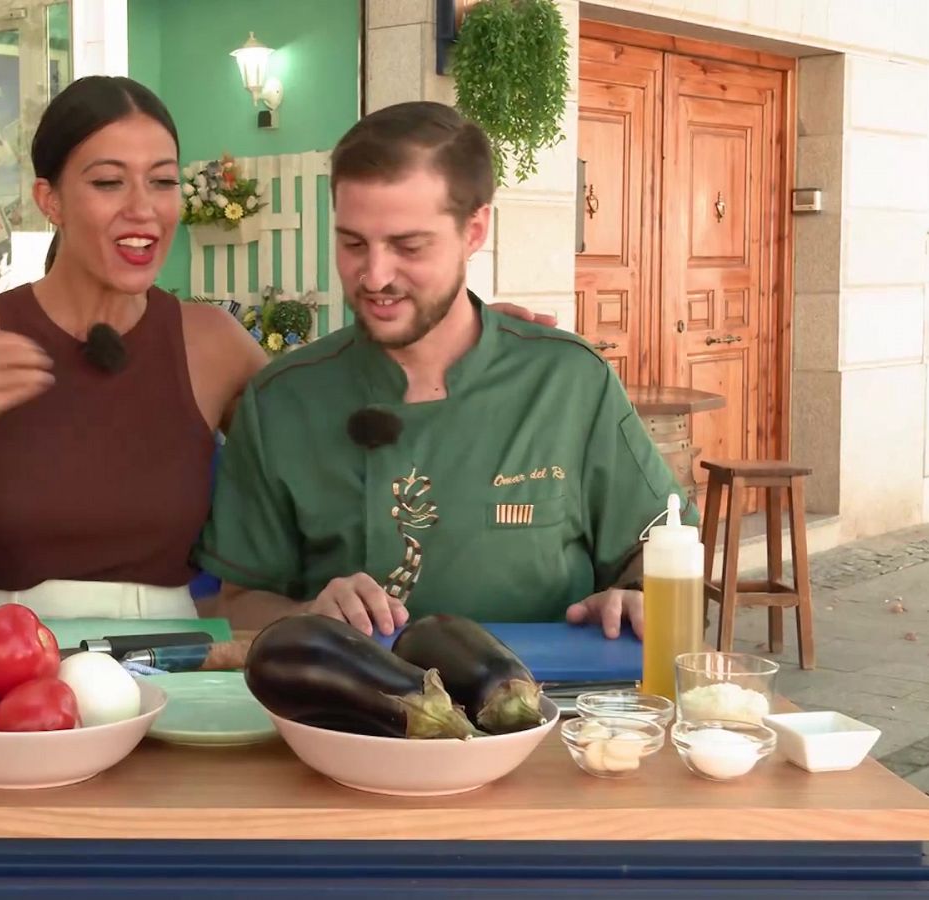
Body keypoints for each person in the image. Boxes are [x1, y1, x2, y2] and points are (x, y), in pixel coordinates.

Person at [0, 78, 555, 634]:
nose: (144, 209)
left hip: (172, 663)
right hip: (1, 658)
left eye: (162, 181)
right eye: (108, 183)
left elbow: (338, 414)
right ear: (51, 200)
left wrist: (470, 334)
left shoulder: (211, 343)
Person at [195, 101, 693, 641]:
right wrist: (306, 614)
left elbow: (662, 544)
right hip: (346, 713)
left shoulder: (569, 382)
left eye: (408, 245)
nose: (375, 275)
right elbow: (237, 603)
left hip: (552, 705)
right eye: (353, 243)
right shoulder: (283, 401)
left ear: (474, 230)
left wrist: (635, 597)